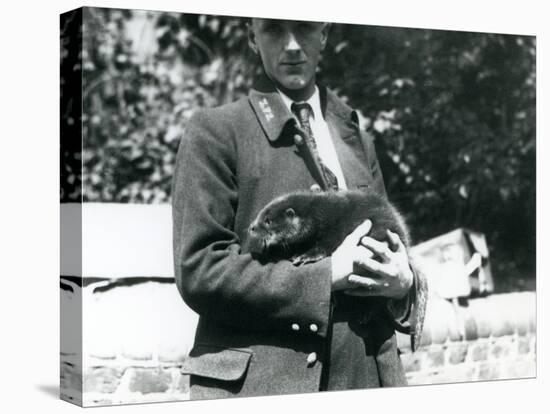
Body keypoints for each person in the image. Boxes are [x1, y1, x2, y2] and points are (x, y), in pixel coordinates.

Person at [171, 18, 427, 399]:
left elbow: (393, 243)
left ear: (324, 34)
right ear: (252, 37)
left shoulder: (354, 135)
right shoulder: (216, 132)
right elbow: (200, 269)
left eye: (305, 27)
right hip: (265, 387)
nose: (292, 45)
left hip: (367, 379)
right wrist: (324, 277)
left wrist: (404, 285)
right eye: (274, 28)